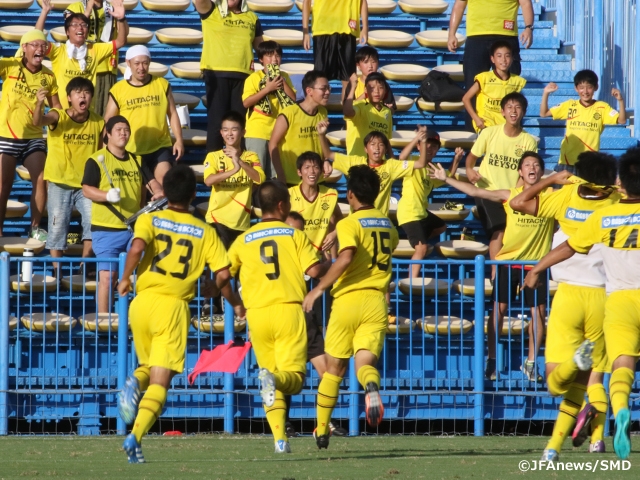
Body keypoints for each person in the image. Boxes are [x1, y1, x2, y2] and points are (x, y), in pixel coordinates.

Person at [116, 164, 238, 464]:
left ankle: (134, 385)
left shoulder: (151, 218)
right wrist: (218, 291)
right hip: (172, 306)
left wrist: (125, 277)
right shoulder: (206, 232)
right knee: (162, 380)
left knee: (148, 365)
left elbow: (137, 248)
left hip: (142, 303)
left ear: (165, 191)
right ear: (195, 193)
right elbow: (223, 272)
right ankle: (135, 435)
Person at [525, 147, 640, 461]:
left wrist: (536, 268)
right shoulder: (612, 201)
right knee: (598, 378)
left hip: (597, 298)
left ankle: (554, 448)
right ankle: (598, 439)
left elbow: (568, 247)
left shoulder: (594, 210)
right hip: (602, 297)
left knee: (567, 380)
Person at [430, 152, 553, 382]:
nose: (532, 168)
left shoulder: (552, 198)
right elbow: (476, 191)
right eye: (527, 164)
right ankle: (492, 361)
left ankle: (530, 363)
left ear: (542, 172)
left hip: (536, 265)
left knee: (538, 314)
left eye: (536, 164)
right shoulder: (510, 195)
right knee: (498, 311)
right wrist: (446, 178)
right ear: (520, 172)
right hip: (509, 263)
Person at [226, 181, 328, 454]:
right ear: (282, 205)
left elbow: (223, 276)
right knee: (293, 378)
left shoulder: (242, 239)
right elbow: (315, 270)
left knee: (269, 377)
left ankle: (280, 440)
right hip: (288, 310)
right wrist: (337, 263)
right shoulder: (294, 235)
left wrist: (235, 303)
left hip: (257, 315)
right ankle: (274, 381)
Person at [303, 165, 399, 449]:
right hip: (377, 300)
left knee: (334, 369)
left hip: (348, 300)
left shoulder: (348, 223)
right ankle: (371, 386)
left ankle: (321, 430)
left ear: (351, 194)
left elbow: (346, 258)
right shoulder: (387, 224)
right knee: (365, 363)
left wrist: (319, 288)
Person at [81, 115, 162, 314]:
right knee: (108, 277)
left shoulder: (137, 159)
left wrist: (159, 192)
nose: (123, 133)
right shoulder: (96, 160)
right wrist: (106, 195)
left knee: (144, 276)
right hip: (107, 229)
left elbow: (152, 183)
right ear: (107, 134)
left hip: (134, 228)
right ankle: (103, 323)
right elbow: (86, 189)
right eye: (118, 129)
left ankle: (139, 317)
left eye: (126, 129)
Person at [283, 209, 347, 438]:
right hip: (286, 321)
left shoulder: (307, 253)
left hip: (307, 322)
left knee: (326, 373)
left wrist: (330, 261)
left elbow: (321, 277)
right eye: (292, 230)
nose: (296, 235)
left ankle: (324, 424)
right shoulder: (277, 255)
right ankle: (284, 423)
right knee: (288, 374)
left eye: (300, 232)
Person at [33, 77, 104, 271]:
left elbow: (100, 152)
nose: (83, 95)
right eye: (78, 92)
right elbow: (38, 121)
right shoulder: (59, 115)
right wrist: (40, 104)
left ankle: (85, 265)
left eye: (87, 92)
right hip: (59, 183)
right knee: (57, 228)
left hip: (85, 185)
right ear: (69, 98)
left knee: (93, 223)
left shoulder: (98, 121)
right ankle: (57, 271)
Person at [464, 92, 538, 276]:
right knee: (499, 230)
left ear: (524, 112)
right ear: (502, 111)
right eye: (510, 107)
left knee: (511, 233)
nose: (514, 111)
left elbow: (526, 171)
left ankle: (510, 273)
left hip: (511, 196)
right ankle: (496, 275)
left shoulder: (528, 140)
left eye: (518, 107)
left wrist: (518, 195)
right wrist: (469, 170)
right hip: (486, 191)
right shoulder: (489, 133)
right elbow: (471, 158)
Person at [0, 29, 60, 239]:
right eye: (34, 44)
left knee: (41, 178)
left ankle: (34, 229)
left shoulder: (48, 76)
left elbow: (57, 108)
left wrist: (49, 118)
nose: (40, 48)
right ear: (23, 48)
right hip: (7, 136)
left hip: (34, 137)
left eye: (43, 45)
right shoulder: (10, 66)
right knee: (4, 183)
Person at [448, 0, 534, 130]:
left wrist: (528, 28)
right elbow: (459, 5)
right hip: (476, 37)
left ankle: (512, 130)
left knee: (510, 87)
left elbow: (526, 3)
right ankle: (473, 133)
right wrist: (451, 33)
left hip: (506, 34)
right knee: (473, 85)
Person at [104, 45, 184, 185]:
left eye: (145, 63)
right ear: (128, 63)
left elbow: (172, 113)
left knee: (164, 182)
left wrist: (178, 139)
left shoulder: (162, 84)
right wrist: (106, 145)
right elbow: (108, 120)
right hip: (131, 149)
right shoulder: (118, 90)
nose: (141, 67)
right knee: (139, 192)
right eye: (137, 63)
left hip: (159, 146)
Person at [194, 0, 264, 153]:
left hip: (244, 75)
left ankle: (238, 161)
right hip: (217, 75)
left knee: (239, 123)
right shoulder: (212, 11)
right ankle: (213, 165)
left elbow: (261, 49)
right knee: (217, 122)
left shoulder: (252, 18)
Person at [319, 123, 429, 217]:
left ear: (385, 149)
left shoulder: (391, 166)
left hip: (379, 220)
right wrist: (321, 134)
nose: (377, 148)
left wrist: (422, 141)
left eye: (380, 145)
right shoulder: (355, 162)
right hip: (358, 219)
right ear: (365, 149)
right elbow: (328, 154)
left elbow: (421, 163)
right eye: (372, 144)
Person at [36, 0, 128, 110]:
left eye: (84, 25)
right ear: (67, 32)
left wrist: (121, 19)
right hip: (62, 114)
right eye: (74, 25)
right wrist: (44, 12)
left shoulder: (94, 49)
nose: (80, 28)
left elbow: (120, 42)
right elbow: (37, 38)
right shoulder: (59, 50)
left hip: (86, 114)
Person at [397, 132, 464, 279]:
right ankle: (411, 281)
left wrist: (456, 159)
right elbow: (401, 157)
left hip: (421, 213)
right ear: (419, 147)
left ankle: (418, 243)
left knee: (441, 226)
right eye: (426, 144)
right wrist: (415, 138)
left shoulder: (431, 168)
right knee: (421, 248)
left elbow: (448, 175)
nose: (430, 148)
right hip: (409, 212)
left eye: (434, 146)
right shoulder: (413, 160)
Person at [540, 69, 626, 173]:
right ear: (576, 88)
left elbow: (621, 120)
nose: (585, 91)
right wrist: (546, 93)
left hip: (590, 163)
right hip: (567, 161)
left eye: (589, 87)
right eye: (581, 87)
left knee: (587, 189)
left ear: (595, 87)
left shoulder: (602, 107)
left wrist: (620, 101)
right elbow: (543, 113)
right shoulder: (570, 105)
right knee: (565, 190)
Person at [202, 110, 266, 249]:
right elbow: (208, 180)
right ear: (221, 133)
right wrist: (233, 170)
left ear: (243, 132)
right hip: (217, 219)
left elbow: (260, 178)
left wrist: (240, 162)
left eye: (234, 129)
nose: (229, 134)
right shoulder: (213, 156)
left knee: (236, 269)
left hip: (241, 222)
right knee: (218, 265)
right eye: (225, 130)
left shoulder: (251, 156)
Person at [242, 40, 296, 179]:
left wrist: (281, 81)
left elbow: (293, 100)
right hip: (257, 132)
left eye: (277, 56)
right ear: (261, 59)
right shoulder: (254, 78)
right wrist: (267, 89)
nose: (274, 59)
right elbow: (246, 102)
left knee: (274, 175)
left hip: (278, 133)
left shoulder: (285, 77)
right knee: (257, 174)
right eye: (270, 56)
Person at [64, 0, 127, 115]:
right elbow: (71, 32)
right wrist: (88, 10)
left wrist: (121, 18)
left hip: (107, 67)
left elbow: (123, 36)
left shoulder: (111, 6)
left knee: (104, 115)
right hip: (82, 68)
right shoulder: (75, 7)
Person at [269, 70, 330, 186]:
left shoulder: (323, 112)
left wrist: (326, 160)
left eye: (329, 88)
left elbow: (322, 141)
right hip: (292, 180)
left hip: (316, 178)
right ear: (309, 91)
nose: (327, 92)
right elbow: (273, 144)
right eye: (323, 88)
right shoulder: (289, 114)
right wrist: (280, 175)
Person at [302, 0, 368, 102]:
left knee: (348, 79)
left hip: (347, 28)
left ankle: (348, 116)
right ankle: (319, 116)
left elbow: (362, 1)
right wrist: (305, 31)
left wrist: (365, 27)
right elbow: (306, 1)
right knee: (320, 80)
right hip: (323, 28)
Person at [462, 40, 526, 133]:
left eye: (507, 56)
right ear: (492, 59)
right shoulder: (484, 78)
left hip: (505, 127)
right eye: (499, 56)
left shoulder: (517, 81)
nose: (503, 60)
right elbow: (466, 98)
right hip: (486, 126)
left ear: (512, 58)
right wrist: (476, 119)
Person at [288, 151, 342, 258]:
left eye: (316, 167)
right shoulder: (289, 194)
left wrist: (335, 233)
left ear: (321, 171)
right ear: (299, 172)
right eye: (307, 167)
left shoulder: (329, 194)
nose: (312, 171)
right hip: (296, 255)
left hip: (321, 256)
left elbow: (339, 217)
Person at [344, 72, 393, 157]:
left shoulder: (387, 112)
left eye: (381, 88)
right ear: (365, 90)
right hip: (358, 162)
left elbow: (386, 140)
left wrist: (392, 158)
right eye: (372, 88)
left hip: (378, 163)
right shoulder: (360, 106)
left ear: (385, 91)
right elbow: (348, 112)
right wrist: (353, 87)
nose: (377, 91)